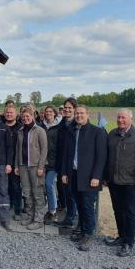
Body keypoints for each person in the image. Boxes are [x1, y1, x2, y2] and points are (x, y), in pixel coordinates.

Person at [105, 108, 135, 257]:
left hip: (131, 182)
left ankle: (129, 242)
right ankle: (121, 236)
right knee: (117, 210)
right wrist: (106, 176)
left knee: (130, 212)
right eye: (119, 117)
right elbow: (107, 157)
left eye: (124, 118)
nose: (120, 120)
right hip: (114, 181)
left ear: (130, 119)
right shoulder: (112, 134)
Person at [61, 105, 107, 252]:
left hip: (89, 177)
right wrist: (64, 173)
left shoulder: (97, 132)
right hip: (73, 174)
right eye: (77, 113)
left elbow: (101, 157)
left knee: (87, 206)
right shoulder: (72, 131)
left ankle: (88, 234)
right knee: (79, 204)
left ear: (88, 114)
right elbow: (66, 154)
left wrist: (96, 176)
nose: (79, 115)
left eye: (82, 113)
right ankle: (81, 230)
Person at [14, 107, 48, 230]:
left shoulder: (39, 130)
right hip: (23, 166)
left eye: (28, 116)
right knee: (27, 193)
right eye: (23, 117)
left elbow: (44, 150)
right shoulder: (20, 131)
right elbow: (18, 149)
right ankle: (30, 216)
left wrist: (41, 166)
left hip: (35, 167)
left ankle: (38, 220)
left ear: (33, 116)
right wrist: (17, 165)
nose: (25, 118)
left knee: (37, 193)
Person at [53, 97, 78, 229]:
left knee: (73, 194)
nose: (67, 110)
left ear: (74, 109)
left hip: (73, 166)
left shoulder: (77, 126)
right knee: (66, 193)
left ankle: (71, 218)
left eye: (70, 108)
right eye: (65, 107)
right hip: (62, 164)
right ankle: (69, 217)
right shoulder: (62, 126)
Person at [40, 105, 62, 223]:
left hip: (54, 162)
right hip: (42, 162)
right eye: (46, 111)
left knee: (49, 184)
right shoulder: (41, 126)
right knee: (45, 186)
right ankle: (49, 206)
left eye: (50, 111)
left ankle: (52, 211)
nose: (48, 113)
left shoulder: (59, 127)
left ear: (55, 113)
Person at [3, 105, 23, 220]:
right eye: (7, 112)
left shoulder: (20, 128)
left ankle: (18, 210)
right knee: (4, 186)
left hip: (16, 163)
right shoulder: (0, 127)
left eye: (11, 112)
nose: (9, 114)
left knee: (16, 186)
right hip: (2, 161)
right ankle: (7, 205)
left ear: (16, 114)